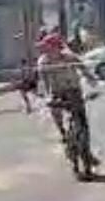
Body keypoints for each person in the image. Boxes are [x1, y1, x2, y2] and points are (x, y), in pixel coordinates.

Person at [36, 31, 99, 174]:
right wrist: (46, 97)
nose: (46, 50)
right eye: (45, 47)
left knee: (82, 125)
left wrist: (94, 85)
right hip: (57, 93)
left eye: (49, 47)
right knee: (56, 113)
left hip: (74, 92)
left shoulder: (70, 57)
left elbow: (86, 72)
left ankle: (87, 152)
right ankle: (63, 134)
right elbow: (42, 82)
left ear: (57, 47)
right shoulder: (43, 62)